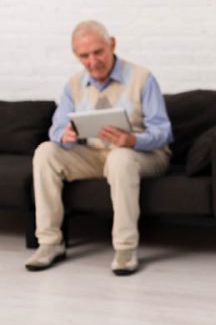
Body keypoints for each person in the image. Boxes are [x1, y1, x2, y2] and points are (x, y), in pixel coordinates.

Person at [25, 20, 173, 276]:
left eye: (98, 52)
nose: (93, 61)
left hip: (143, 154)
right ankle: (49, 243)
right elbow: (56, 128)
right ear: (76, 55)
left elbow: (163, 131)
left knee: (120, 158)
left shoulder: (142, 78)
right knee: (46, 151)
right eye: (84, 55)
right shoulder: (73, 84)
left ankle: (125, 248)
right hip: (96, 154)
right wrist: (65, 135)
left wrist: (132, 140)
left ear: (112, 44)